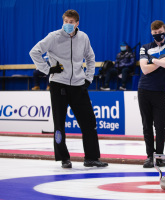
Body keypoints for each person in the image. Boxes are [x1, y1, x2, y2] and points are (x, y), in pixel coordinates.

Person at [29, 9, 108, 169]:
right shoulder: (53, 37)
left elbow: (91, 58)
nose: (68, 25)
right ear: (62, 22)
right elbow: (34, 52)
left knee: (89, 123)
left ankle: (91, 158)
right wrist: (48, 70)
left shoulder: (84, 37)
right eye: (66, 21)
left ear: (77, 23)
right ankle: (64, 158)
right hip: (58, 85)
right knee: (59, 123)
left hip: (79, 85)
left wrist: (88, 78)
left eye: (71, 22)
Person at [138, 20, 165, 168]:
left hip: (160, 92)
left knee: (160, 126)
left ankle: (160, 156)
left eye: (160, 31)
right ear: (151, 33)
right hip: (144, 90)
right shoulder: (145, 48)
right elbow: (145, 69)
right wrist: (163, 60)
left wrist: (154, 60)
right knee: (147, 125)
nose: (158, 34)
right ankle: (150, 156)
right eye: (155, 33)